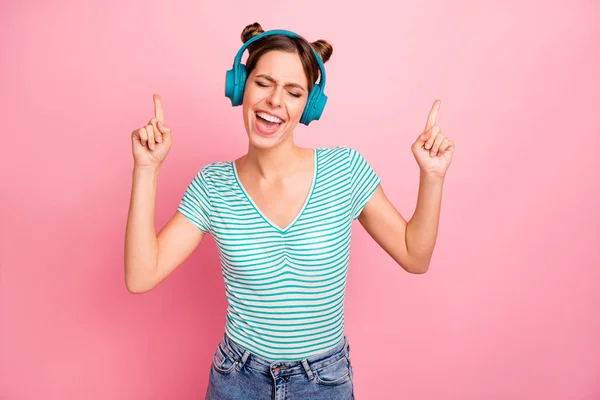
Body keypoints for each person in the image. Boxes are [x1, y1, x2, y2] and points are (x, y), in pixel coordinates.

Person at [124, 22, 454, 400]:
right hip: (237, 379)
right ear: (241, 86)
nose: (275, 101)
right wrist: (146, 169)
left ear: (309, 106)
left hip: (324, 382)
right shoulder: (212, 186)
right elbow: (140, 276)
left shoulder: (344, 171)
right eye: (263, 83)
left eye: (293, 92)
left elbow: (415, 256)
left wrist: (432, 176)